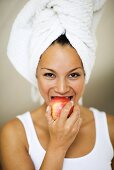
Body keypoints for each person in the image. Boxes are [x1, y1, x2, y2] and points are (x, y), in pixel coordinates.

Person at [0, 0, 114, 170]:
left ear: (86, 75)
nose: (61, 89)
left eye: (74, 74)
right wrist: (58, 146)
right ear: (36, 75)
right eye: (49, 74)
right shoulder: (14, 134)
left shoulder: (110, 129)